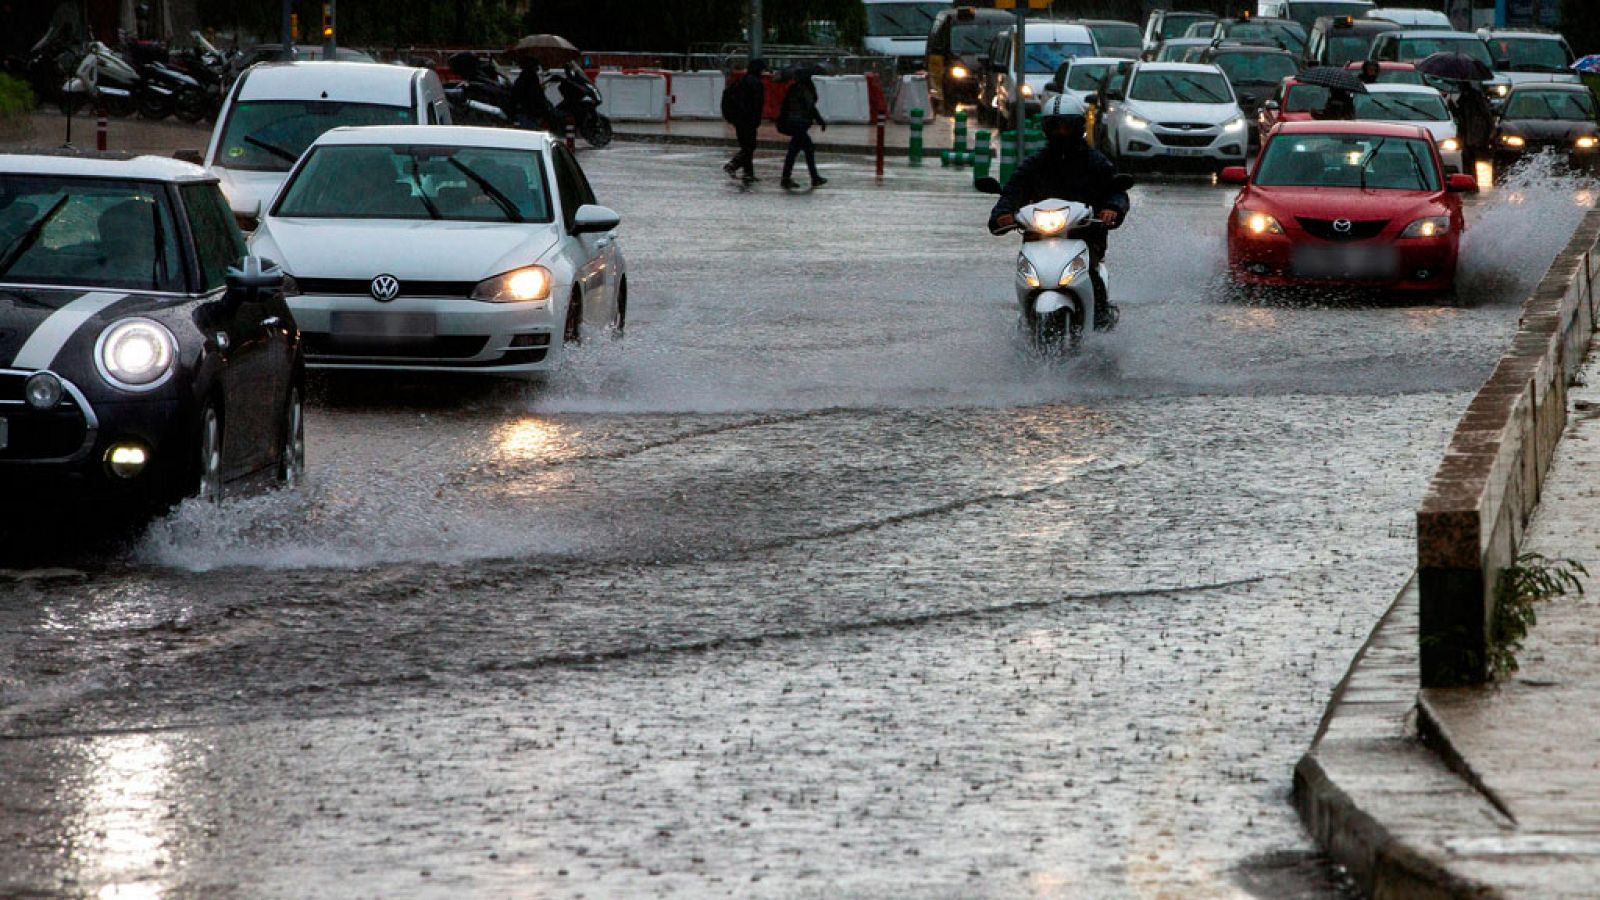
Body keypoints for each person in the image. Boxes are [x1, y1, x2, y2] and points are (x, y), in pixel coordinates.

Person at [988, 94, 1130, 331]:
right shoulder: (1035, 164)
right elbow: (1013, 191)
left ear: (1078, 127)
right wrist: (1002, 213)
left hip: (1084, 236)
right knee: (1027, 274)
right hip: (1039, 237)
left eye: (1066, 125)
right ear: (1045, 129)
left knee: (1091, 274)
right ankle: (1024, 320)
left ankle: (1101, 321)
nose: (1060, 132)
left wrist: (1111, 209)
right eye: (1054, 126)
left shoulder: (1096, 163)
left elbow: (1115, 190)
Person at [777, 68, 828, 190]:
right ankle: (811, 177)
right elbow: (810, 107)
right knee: (804, 150)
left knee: (796, 151)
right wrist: (819, 120)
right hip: (799, 124)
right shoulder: (803, 89)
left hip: (796, 124)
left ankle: (790, 178)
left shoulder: (796, 88)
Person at [721, 58, 766, 184]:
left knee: (746, 145)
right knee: (750, 146)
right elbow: (757, 104)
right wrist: (756, 119)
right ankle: (733, 165)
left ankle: (748, 173)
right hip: (749, 119)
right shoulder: (756, 83)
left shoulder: (741, 80)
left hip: (738, 118)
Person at [1451, 80, 1494, 174]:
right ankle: (1469, 177)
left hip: (1474, 134)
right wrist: (1452, 106)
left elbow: (1486, 114)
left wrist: (1488, 132)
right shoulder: (1463, 98)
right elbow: (1459, 115)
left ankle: (1472, 179)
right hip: (1466, 133)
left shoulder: (1475, 97)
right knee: (1466, 158)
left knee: (1472, 157)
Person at [511, 58, 551, 130]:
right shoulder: (530, 77)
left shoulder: (522, 78)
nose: (537, 68)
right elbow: (534, 94)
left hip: (525, 110)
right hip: (529, 111)